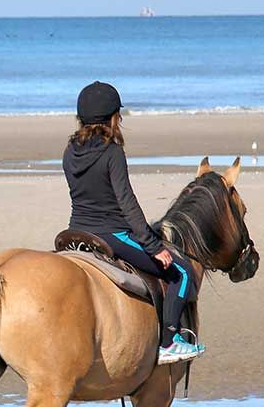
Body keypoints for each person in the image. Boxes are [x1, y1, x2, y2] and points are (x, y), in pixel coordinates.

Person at [61, 81, 203, 364]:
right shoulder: (112, 152)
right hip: (112, 234)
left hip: (75, 231)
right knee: (183, 272)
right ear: (114, 117)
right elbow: (127, 203)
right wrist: (153, 246)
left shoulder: (69, 152)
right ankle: (169, 342)